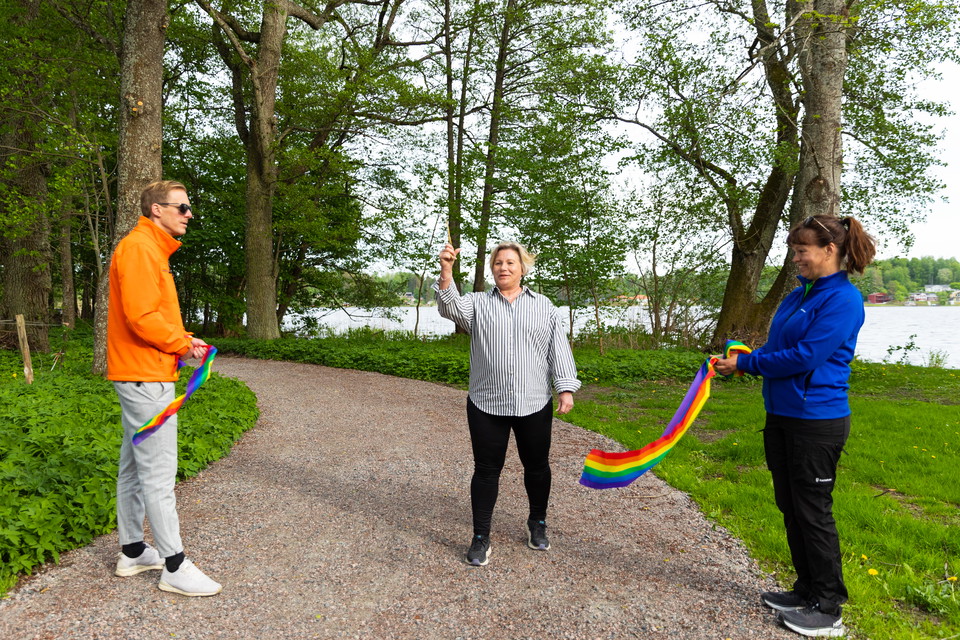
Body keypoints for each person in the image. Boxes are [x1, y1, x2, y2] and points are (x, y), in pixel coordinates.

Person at [714, 214, 876, 638]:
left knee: (813, 511)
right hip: (782, 416)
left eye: (802, 250)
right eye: (793, 250)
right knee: (790, 505)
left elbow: (806, 356)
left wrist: (749, 363)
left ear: (830, 251)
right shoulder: (798, 295)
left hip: (816, 421)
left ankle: (828, 606)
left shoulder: (842, 300)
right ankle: (805, 589)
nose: (796, 258)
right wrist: (742, 360)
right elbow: (779, 347)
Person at [106, 180, 222, 596]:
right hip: (144, 375)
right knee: (157, 472)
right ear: (157, 209)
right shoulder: (140, 249)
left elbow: (155, 316)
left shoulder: (150, 249)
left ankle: (134, 551)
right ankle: (174, 565)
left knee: (135, 467)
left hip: (144, 371)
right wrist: (181, 344)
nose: (189, 214)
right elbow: (141, 317)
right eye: (183, 207)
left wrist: (183, 341)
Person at [435, 241, 581, 566]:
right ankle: (480, 537)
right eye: (498, 262)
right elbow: (449, 307)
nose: (503, 267)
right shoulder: (477, 304)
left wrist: (565, 388)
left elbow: (558, 348)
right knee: (486, 471)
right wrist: (447, 269)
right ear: (492, 268)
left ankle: (537, 522)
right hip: (487, 403)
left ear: (522, 268)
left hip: (534, 403)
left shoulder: (544, 307)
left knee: (537, 467)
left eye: (510, 263)